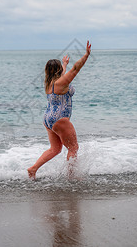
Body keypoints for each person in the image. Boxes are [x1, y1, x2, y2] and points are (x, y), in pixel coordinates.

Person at [28, 40, 91, 179]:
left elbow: (64, 73)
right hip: (60, 119)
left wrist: (64, 64)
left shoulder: (49, 82)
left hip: (48, 118)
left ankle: (33, 169)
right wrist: (86, 55)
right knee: (73, 148)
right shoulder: (61, 83)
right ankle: (71, 177)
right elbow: (75, 69)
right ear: (57, 71)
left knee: (55, 149)